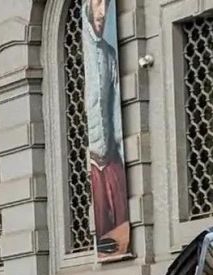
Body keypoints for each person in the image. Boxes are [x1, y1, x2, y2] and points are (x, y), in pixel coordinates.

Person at [83, 0, 129, 256]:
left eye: (106, 5)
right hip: (91, 162)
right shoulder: (83, 51)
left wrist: (116, 149)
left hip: (110, 158)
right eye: (97, 4)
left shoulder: (110, 56)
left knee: (119, 223)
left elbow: (113, 112)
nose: (101, 12)